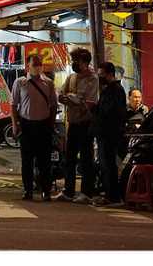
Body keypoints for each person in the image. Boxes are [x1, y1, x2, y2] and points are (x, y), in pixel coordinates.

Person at [10, 52, 58, 200]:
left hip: (44, 125)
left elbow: (54, 105)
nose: (37, 67)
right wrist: (15, 124)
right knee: (27, 160)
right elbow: (13, 105)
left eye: (39, 64)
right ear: (27, 65)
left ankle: (46, 191)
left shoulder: (48, 83)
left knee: (44, 160)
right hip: (27, 125)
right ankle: (28, 190)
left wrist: (51, 122)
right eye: (34, 64)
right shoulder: (20, 82)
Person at [54, 47, 99, 203]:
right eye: (73, 61)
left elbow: (88, 102)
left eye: (76, 61)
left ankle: (86, 193)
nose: (74, 64)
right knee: (69, 158)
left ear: (85, 63)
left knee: (86, 159)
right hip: (72, 123)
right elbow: (61, 96)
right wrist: (73, 99)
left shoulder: (93, 79)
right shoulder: (72, 77)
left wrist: (75, 99)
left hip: (86, 123)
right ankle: (68, 191)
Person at [91, 61, 127, 207]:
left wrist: (95, 107)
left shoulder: (115, 90)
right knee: (105, 164)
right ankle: (110, 195)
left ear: (110, 75)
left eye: (102, 75)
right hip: (104, 133)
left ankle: (112, 196)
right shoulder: (110, 90)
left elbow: (110, 111)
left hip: (109, 134)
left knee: (108, 165)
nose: (100, 78)